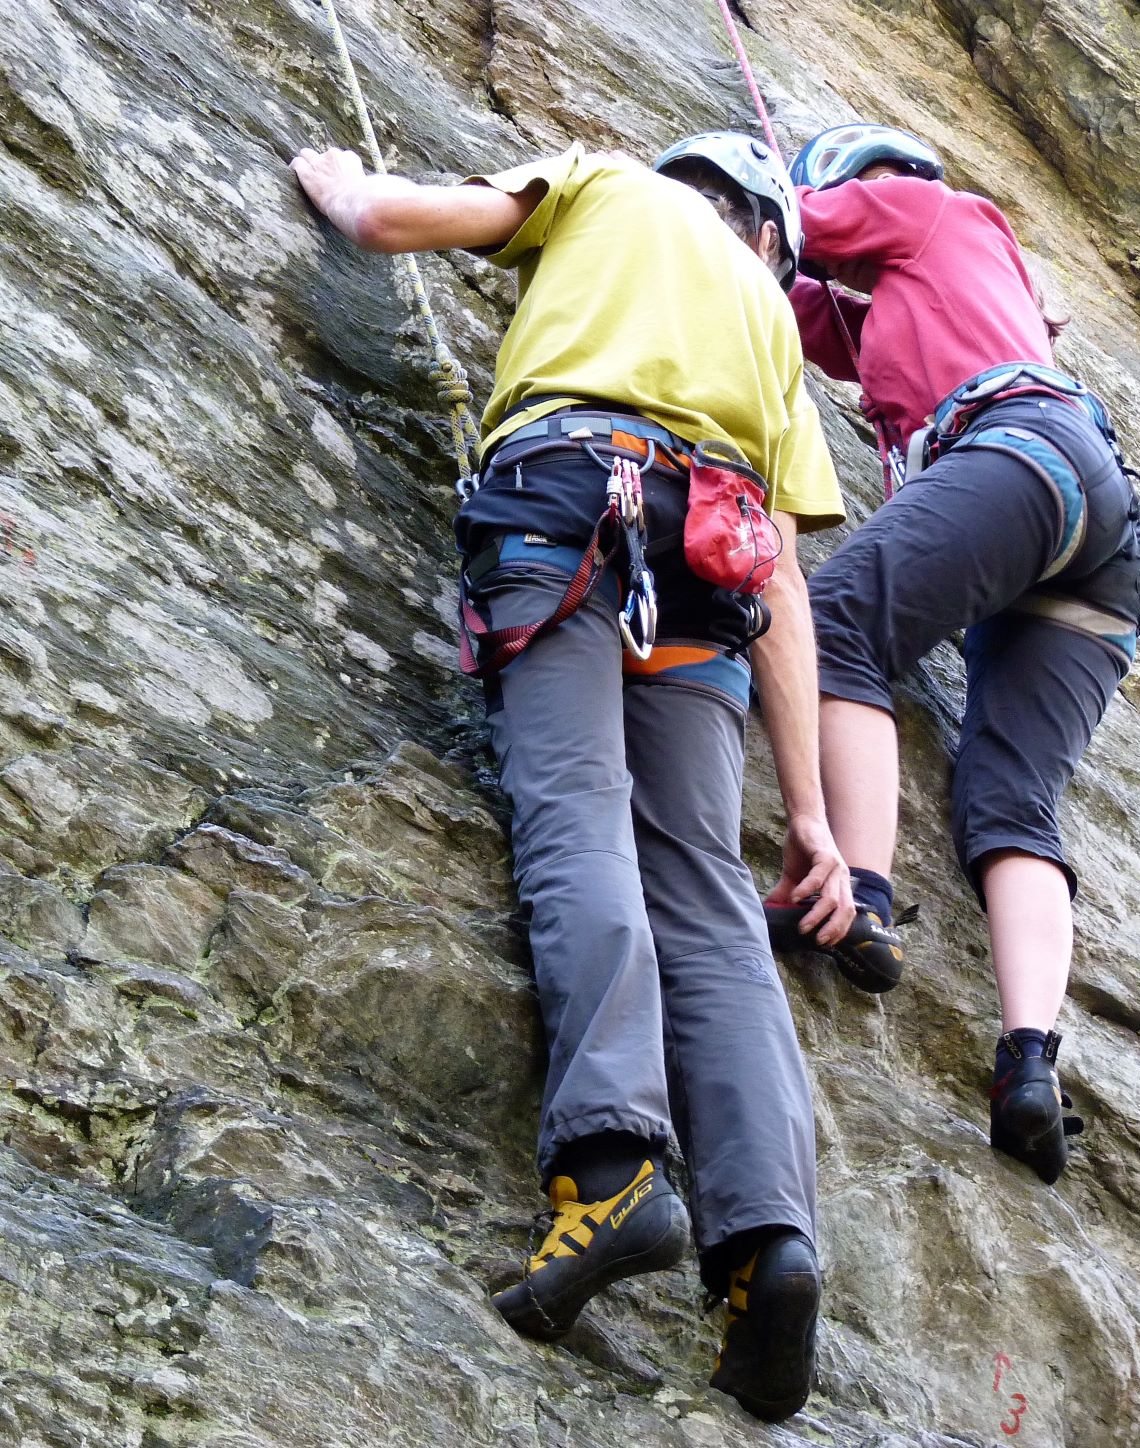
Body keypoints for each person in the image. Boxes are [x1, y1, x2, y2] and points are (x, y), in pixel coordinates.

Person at [290, 131, 853, 1421]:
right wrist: (812, 814)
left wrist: (335, 182)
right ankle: (769, 1247)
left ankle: (608, 1168)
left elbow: (389, 222)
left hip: (569, 509)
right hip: (710, 580)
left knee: (575, 818)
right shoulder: (771, 322)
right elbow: (783, 577)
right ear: (768, 229)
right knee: (710, 899)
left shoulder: (606, 181)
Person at [767, 123, 1140, 1184]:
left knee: (834, 622)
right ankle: (1028, 1064)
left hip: (1023, 457)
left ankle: (865, 897)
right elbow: (787, 303)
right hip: (1099, 543)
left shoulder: (925, 205)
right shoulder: (936, 295)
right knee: (1009, 794)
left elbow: (774, 221)